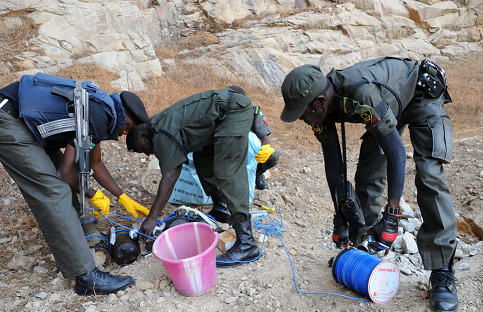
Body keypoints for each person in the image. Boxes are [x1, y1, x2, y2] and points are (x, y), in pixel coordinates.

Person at [280, 57, 458, 312]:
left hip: (419, 96)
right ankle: (360, 248)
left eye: (301, 114)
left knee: (429, 175)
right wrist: (340, 218)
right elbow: (334, 167)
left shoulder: (360, 94)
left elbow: (396, 152)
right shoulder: (321, 109)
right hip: (386, 108)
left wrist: (393, 214)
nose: (301, 120)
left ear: (319, 102)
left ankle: (442, 272)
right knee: (367, 174)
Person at [0, 72, 150, 295]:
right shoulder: (98, 116)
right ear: (123, 115)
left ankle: (77, 237)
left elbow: (95, 165)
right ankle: (87, 278)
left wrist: (122, 196)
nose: (124, 133)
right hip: (10, 120)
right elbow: (64, 173)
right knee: (54, 190)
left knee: (61, 180)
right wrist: (93, 194)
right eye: (127, 127)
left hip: (27, 121)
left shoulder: (101, 109)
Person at [126, 86, 260, 267]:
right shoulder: (160, 128)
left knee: (226, 170)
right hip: (221, 116)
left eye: (142, 148)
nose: (148, 154)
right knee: (203, 161)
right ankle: (221, 208)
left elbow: (172, 173)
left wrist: (152, 217)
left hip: (232, 111)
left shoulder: (160, 133)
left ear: (143, 135)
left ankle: (247, 243)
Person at [206, 85, 281, 224]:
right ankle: (219, 199)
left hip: (247, 153)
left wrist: (266, 147)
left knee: (274, 156)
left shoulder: (252, 111)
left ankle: (258, 173)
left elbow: (264, 135)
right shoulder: (218, 110)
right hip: (224, 153)